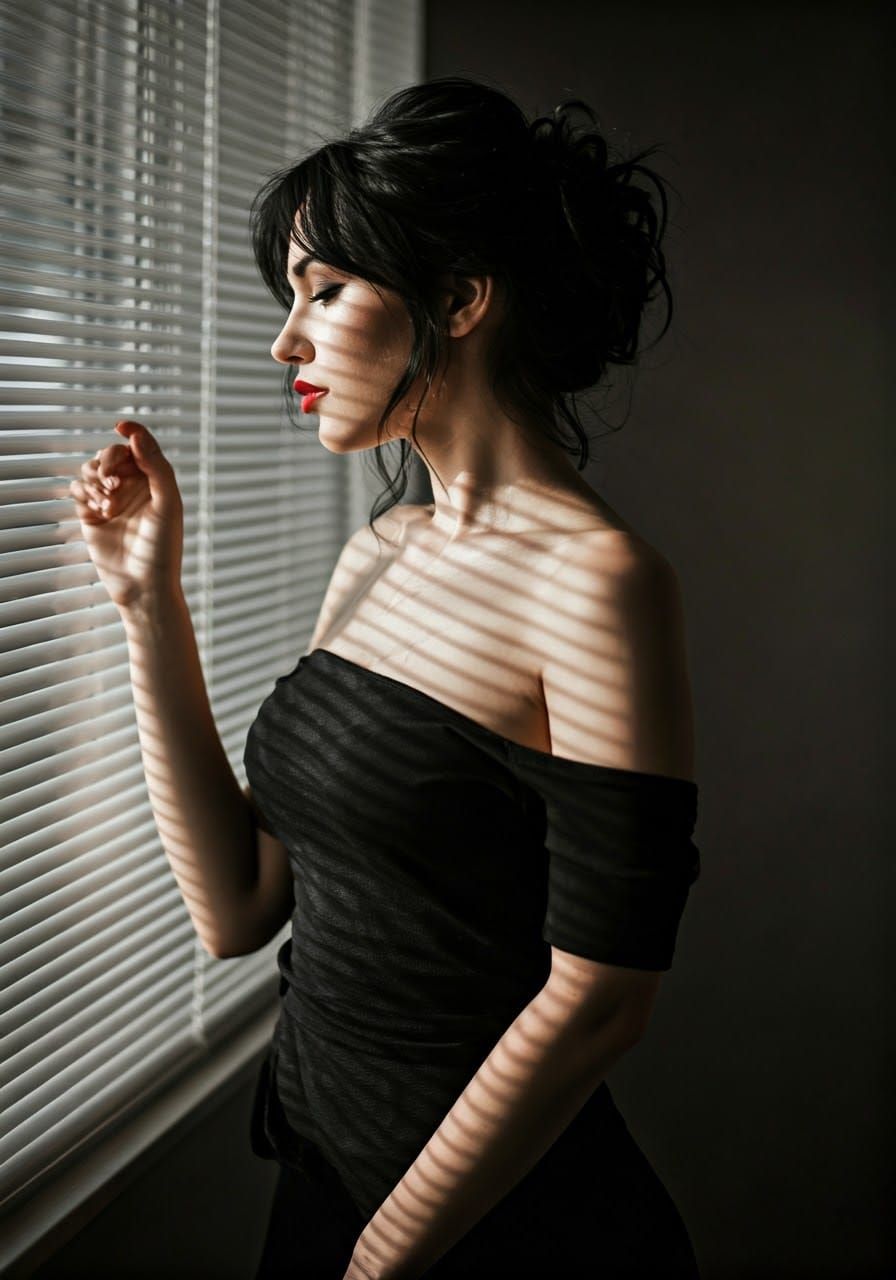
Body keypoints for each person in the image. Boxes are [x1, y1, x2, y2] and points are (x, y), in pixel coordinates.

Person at [69, 76, 701, 1279]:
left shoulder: (601, 582)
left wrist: (380, 1260)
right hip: (321, 1186)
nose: (285, 340)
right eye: (290, 296)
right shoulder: (378, 549)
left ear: (460, 296)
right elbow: (240, 908)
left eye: (327, 291)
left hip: (493, 1233)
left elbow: (603, 996)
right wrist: (149, 601)